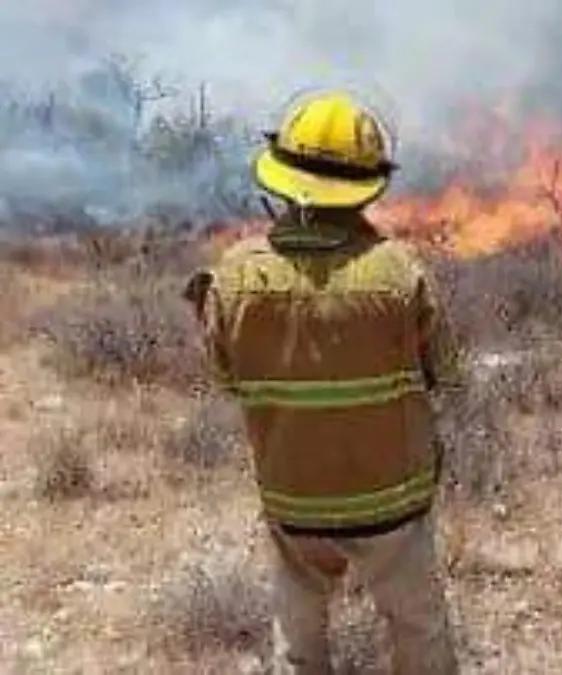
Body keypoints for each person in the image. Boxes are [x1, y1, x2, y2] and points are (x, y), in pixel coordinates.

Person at [186, 90, 461, 674]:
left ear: (282, 177)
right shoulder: (400, 271)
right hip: (393, 498)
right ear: (370, 182)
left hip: (293, 497)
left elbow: (227, 378)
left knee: (298, 631)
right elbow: (441, 371)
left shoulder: (234, 276)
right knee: (418, 627)